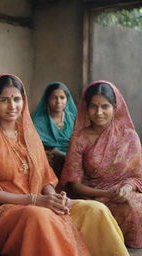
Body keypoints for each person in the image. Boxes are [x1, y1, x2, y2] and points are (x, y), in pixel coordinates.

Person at [0, 74, 129, 256]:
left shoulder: (30, 135)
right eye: (4, 100)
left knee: (95, 210)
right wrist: (36, 201)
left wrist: (55, 199)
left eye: (17, 99)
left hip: (41, 203)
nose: (12, 106)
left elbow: (46, 178)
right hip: (5, 210)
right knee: (40, 216)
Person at [61, 80, 142, 248]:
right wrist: (106, 194)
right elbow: (75, 185)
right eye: (93, 106)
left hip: (125, 192)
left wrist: (126, 188)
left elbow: (137, 177)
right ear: (86, 108)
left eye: (105, 106)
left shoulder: (129, 136)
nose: (99, 112)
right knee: (123, 209)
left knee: (135, 205)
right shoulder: (79, 138)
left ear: (115, 107)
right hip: (92, 195)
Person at [33, 82, 76, 179]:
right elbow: (37, 144)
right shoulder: (39, 120)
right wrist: (56, 153)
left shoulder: (74, 119)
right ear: (47, 100)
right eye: (53, 98)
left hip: (72, 158)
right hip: (49, 159)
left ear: (67, 99)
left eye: (62, 97)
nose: (58, 101)